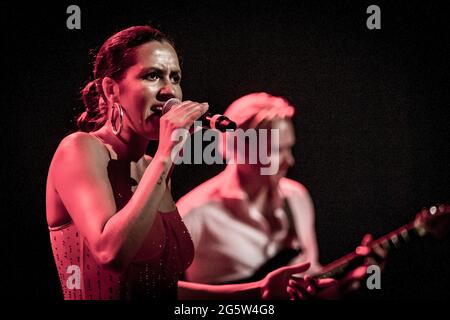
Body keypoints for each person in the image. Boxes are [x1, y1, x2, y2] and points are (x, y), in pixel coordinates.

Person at [45, 26, 334, 300]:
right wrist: (166, 154)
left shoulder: (152, 167)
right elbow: (111, 254)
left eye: (175, 78)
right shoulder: (81, 148)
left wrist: (259, 291)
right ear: (111, 90)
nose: (169, 91)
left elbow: (158, 291)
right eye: (152, 76)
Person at [177, 92, 386, 298]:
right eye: (277, 150)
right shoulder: (194, 213)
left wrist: (348, 285)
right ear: (237, 148)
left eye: (289, 148)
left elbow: (310, 277)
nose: (290, 161)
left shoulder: (296, 197)